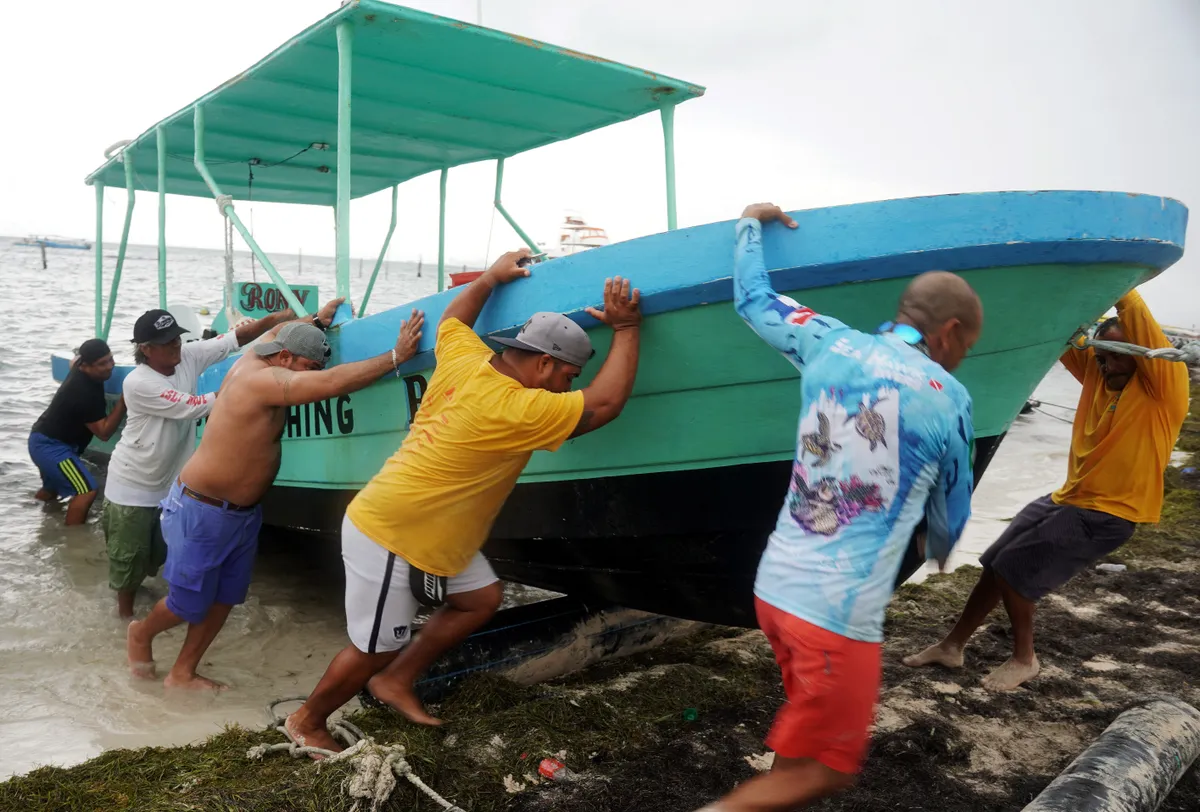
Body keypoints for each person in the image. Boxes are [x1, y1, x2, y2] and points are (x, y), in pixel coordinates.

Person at [284, 248, 642, 755]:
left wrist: (490, 278)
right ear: (543, 363)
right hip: (392, 532)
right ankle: (308, 720)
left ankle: (397, 680)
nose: (570, 387)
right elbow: (604, 405)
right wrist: (628, 329)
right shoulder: (517, 407)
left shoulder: (466, 359)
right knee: (374, 645)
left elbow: (453, 320)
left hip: (428, 525)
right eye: (568, 376)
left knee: (480, 599)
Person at [695, 204, 982, 812]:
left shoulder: (829, 341)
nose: (964, 356)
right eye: (968, 344)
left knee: (804, 736)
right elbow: (951, 522)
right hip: (835, 616)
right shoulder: (949, 399)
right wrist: (932, 547)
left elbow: (753, 300)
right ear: (950, 332)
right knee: (826, 770)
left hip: (774, 591)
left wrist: (750, 222)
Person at [126, 307, 426, 690]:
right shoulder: (261, 380)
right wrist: (396, 356)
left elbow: (284, 328)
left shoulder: (266, 351)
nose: (309, 375)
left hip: (242, 512)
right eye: (306, 366)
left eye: (313, 367)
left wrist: (316, 322)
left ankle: (182, 672)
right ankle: (140, 633)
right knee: (188, 603)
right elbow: (333, 383)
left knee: (224, 598)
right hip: (202, 509)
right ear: (283, 357)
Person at [904, 288, 1188, 691]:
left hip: (1111, 512)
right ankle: (952, 646)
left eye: (1119, 356)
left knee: (1015, 570)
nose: (1108, 366)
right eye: (1103, 356)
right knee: (996, 560)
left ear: (1143, 354)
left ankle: (1025, 658)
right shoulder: (1098, 374)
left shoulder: (1163, 388)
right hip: (1068, 498)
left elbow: (1134, 308)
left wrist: (1108, 274)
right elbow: (1061, 331)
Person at [103, 303, 333, 619]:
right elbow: (196, 406)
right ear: (145, 349)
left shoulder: (187, 356)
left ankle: (155, 611)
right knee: (128, 562)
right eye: (167, 342)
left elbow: (236, 339)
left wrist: (297, 320)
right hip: (132, 486)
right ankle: (123, 622)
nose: (176, 346)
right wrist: (247, 383)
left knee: (156, 559)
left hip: (169, 484)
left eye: (177, 338)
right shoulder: (138, 382)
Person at [29, 338, 126, 525]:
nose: (109, 367)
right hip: (52, 447)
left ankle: (30, 516)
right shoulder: (83, 393)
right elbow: (104, 433)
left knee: (51, 490)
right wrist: (122, 404)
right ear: (86, 366)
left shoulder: (79, 367)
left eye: (110, 359)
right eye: (102, 364)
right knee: (87, 490)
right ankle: (73, 543)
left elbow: (72, 361)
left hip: (41, 439)